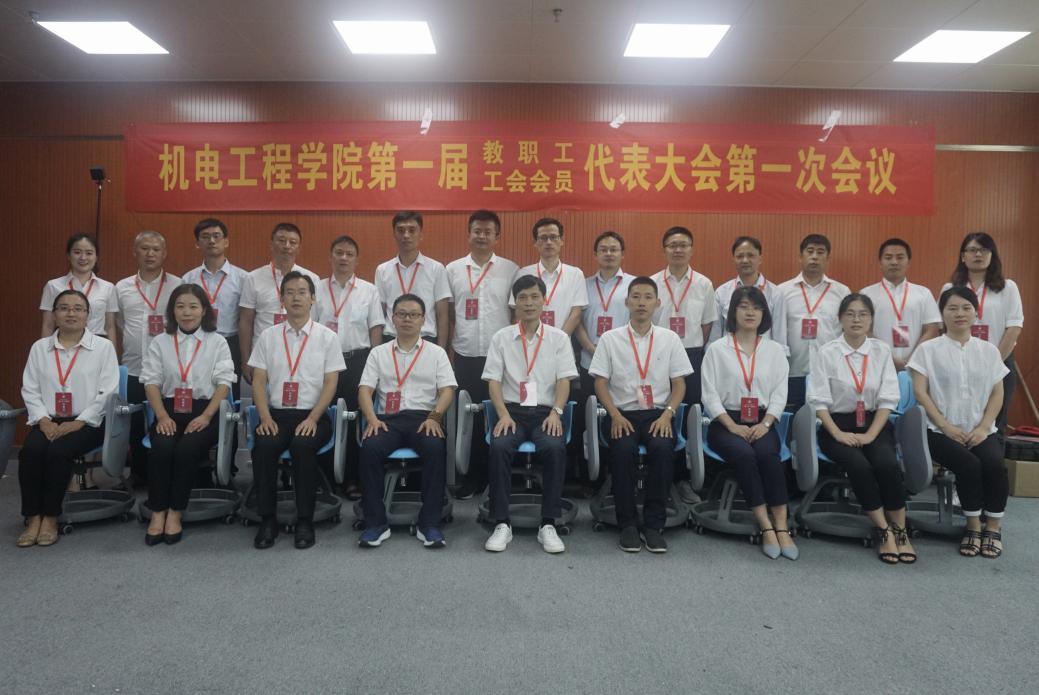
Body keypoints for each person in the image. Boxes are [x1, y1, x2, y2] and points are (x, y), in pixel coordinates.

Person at [589, 276, 691, 553]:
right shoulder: (610, 339)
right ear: (627, 302)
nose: (641, 303)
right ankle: (628, 525)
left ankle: (654, 525)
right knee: (623, 451)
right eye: (636, 297)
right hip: (621, 413)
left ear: (658, 303)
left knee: (662, 450)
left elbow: (679, 384)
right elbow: (600, 382)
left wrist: (668, 414)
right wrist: (614, 414)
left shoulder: (670, 339)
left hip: (658, 414)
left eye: (648, 297)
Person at [808, 293, 913, 564]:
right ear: (840, 319)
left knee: (887, 464)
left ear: (871, 320)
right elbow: (818, 401)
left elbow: (888, 399)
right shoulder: (827, 352)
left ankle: (901, 530)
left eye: (863, 314)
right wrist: (838, 434)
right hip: (836, 425)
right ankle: (884, 530)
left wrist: (871, 434)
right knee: (859, 466)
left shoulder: (880, 351)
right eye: (850, 314)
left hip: (874, 423)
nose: (856, 319)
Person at [908, 287, 1009, 559]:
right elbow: (920, 391)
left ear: (976, 313)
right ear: (942, 314)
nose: (959, 314)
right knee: (969, 464)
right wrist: (945, 426)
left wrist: (984, 427)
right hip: (938, 431)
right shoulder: (927, 350)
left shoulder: (989, 351)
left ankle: (993, 526)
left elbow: (998, 393)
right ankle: (973, 525)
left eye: (966, 308)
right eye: (952, 308)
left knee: (995, 464)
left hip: (980, 429)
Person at [247, 272, 345, 550]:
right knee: (264, 445)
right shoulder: (268, 336)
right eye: (289, 292)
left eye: (302, 292)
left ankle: (304, 520)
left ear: (313, 298)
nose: (296, 298)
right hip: (277, 415)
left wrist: (313, 418)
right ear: (282, 299)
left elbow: (331, 383)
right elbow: (259, 381)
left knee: (303, 446)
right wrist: (265, 417)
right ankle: (268, 519)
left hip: (314, 415)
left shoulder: (327, 337)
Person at [482, 275, 578, 554]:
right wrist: (502, 414)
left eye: (534, 297)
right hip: (511, 412)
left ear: (544, 301)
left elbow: (564, 380)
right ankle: (502, 523)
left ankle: (548, 523)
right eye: (522, 297)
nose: (528, 303)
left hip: (546, 412)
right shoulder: (501, 338)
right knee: (499, 447)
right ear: (514, 303)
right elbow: (494, 381)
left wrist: (556, 413)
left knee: (554, 448)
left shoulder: (559, 338)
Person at [17, 289, 119, 547]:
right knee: (30, 452)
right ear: (54, 314)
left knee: (58, 452)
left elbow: (108, 391)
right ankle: (33, 516)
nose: (71, 313)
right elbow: (30, 389)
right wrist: (43, 420)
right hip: (49, 420)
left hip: (89, 422)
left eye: (78, 308)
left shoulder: (103, 347)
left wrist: (79, 421)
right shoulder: (40, 348)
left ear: (88, 315)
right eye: (63, 308)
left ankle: (50, 518)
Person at [702, 286, 796, 560]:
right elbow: (709, 394)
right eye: (743, 306)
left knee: (768, 456)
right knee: (744, 455)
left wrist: (766, 424)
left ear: (764, 313)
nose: (750, 312)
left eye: (756, 307)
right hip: (725, 423)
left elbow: (780, 393)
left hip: (762, 421)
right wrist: (732, 426)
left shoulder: (774, 351)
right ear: (733, 312)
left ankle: (782, 525)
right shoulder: (717, 349)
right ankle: (765, 525)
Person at [356, 294, 457, 549]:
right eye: (401, 314)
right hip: (387, 420)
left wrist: (435, 416)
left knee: (435, 447)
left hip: (424, 418)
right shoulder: (378, 353)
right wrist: (371, 419)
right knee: (370, 447)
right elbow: (365, 390)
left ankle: (430, 523)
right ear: (393, 319)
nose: (407, 319)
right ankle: (375, 524)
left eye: (414, 315)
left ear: (423, 319)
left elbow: (447, 390)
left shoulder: (436, 353)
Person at [139, 285, 234, 546]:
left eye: (193, 306)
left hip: (205, 411)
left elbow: (224, 384)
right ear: (172, 311)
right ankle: (158, 511)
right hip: (168, 411)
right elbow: (151, 383)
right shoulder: (160, 342)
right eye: (180, 306)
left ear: (204, 311)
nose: (186, 312)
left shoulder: (217, 342)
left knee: (186, 449)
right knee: (161, 448)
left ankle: (175, 512)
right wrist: (161, 416)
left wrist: (206, 416)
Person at [445, 210, 518, 500]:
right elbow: (450, 312)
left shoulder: (511, 270)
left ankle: (499, 476)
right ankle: (472, 476)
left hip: (500, 356)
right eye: (477, 230)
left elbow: (514, 313)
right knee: (470, 418)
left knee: (501, 414)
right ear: (469, 234)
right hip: (466, 354)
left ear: (497, 237)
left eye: (488, 232)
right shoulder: (452, 270)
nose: (482, 236)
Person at [314, 235, 385, 501]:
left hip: (358, 361)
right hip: (324, 364)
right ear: (330, 256)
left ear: (357, 260)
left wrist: (375, 366)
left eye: (349, 254)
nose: (344, 258)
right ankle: (324, 477)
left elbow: (375, 329)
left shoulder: (369, 290)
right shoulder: (316, 288)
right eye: (339, 252)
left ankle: (353, 478)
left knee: (356, 420)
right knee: (325, 417)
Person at [650, 226, 717, 504]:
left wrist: (692, 348)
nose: (678, 249)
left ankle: (683, 479)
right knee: (661, 413)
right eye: (672, 245)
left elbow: (707, 324)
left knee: (688, 418)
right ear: (664, 249)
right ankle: (661, 476)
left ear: (691, 249)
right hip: (657, 356)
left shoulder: (704, 284)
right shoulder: (653, 283)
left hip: (691, 356)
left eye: (683, 245)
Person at [114, 231, 183, 484]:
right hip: (134, 366)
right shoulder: (121, 287)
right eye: (144, 248)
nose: (150, 254)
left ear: (164, 254)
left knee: (168, 419)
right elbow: (119, 323)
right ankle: (139, 472)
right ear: (135, 252)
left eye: (156, 249)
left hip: (169, 369)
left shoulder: (177, 285)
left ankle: (168, 471)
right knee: (134, 422)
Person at [941, 232, 1023, 435]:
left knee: (995, 424)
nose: (978, 254)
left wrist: (993, 364)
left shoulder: (1008, 287)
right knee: (959, 421)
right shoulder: (951, 288)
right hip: (959, 365)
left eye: (984, 250)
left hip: (999, 363)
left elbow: (1014, 327)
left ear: (992, 255)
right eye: (972, 250)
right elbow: (944, 327)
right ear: (963, 256)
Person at [239, 222, 320, 385]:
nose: (287, 246)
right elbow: (245, 322)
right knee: (262, 399)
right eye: (281, 240)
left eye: (292, 242)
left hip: (301, 354)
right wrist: (246, 360)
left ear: (299, 248)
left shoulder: (311, 279)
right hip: (264, 355)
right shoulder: (253, 278)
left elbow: (315, 321)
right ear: (271, 244)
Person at [778, 234, 850, 410]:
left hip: (830, 374)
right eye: (810, 251)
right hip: (792, 372)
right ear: (800, 257)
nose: (815, 257)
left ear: (828, 258)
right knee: (793, 419)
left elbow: (847, 333)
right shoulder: (782, 291)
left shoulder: (842, 292)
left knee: (827, 420)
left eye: (820, 252)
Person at [181, 218, 246, 398]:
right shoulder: (188, 279)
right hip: (197, 341)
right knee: (198, 390)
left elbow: (246, 318)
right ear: (197, 243)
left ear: (226, 241)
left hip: (230, 342)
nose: (211, 241)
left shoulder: (242, 278)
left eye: (217, 236)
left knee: (229, 394)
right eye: (205, 237)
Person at [860, 238, 940, 371]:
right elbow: (864, 331)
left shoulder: (923, 293)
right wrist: (888, 358)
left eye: (900, 257)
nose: (894, 262)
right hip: (877, 364)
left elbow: (931, 330)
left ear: (908, 262)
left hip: (916, 366)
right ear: (880, 262)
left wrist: (913, 359)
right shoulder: (866, 294)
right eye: (888, 257)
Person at [374, 211, 451, 347]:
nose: (406, 235)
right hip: (391, 339)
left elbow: (442, 315)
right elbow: (379, 314)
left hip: (426, 339)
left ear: (421, 234)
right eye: (401, 230)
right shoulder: (382, 270)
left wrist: (441, 350)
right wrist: (378, 349)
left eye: (412, 230)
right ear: (394, 234)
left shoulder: (436, 269)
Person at [512, 217, 588, 334]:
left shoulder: (575, 274)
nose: (548, 242)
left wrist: (560, 340)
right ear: (535, 243)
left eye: (553, 237)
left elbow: (576, 313)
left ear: (561, 240)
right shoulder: (523, 273)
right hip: (530, 341)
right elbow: (517, 311)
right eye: (543, 238)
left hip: (563, 341)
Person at [710, 236, 787, 347]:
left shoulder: (775, 293)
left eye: (750, 255)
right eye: (740, 256)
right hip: (729, 354)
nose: (745, 260)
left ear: (760, 259)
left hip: (764, 354)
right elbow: (715, 336)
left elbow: (780, 338)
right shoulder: (721, 292)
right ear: (734, 259)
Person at [39, 233, 117, 340]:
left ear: (96, 257)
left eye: (89, 253)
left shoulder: (108, 287)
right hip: (64, 343)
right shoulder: (53, 286)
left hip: (97, 344)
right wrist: (45, 349)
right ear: (68, 255)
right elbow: (48, 325)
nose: (83, 257)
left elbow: (110, 326)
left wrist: (111, 350)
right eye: (77, 252)